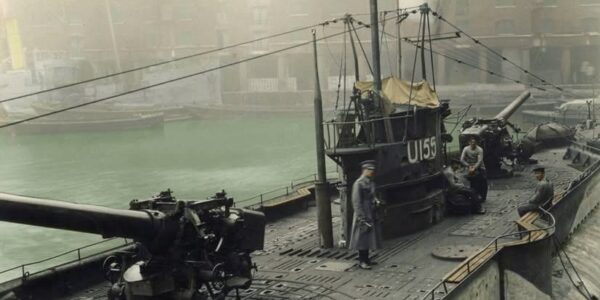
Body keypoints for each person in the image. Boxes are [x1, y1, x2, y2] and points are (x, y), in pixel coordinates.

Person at [349, 160, 383, 270]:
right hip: (363, 213)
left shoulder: (371, 182)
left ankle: (367, 259)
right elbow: (356, 202)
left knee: (368, 237)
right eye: (370, 170)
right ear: (365, 170)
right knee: (362, 238)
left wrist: (376, 200)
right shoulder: (358, 183)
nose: (372, 172)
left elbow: (373, 196)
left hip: (371, 211)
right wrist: (361, 218)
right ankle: (362, 261)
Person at [460, 138, 488, 202]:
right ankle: (474, 197)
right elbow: (462, 159)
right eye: (471, 142)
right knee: (474, 183)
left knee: (483, 182)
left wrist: (474, 168)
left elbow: (480, 160)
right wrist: (468, 166)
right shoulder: (466, 149)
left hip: (480, 167)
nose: (473, 144)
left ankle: (483, 197)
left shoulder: (479, 149)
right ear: (469, 143)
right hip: (470, 166)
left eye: (474, 142)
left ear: (476, 143)